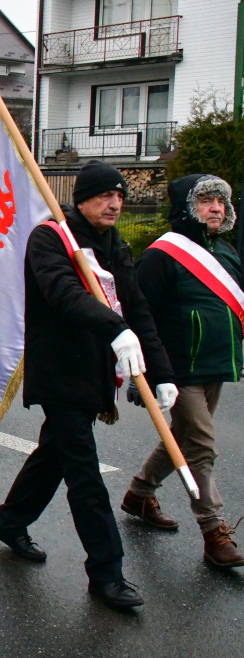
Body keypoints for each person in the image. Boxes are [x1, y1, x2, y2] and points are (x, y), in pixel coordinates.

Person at [0, 160, 176, 610]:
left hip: (93, 374)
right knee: (85, 475)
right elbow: (63, 294)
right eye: (103, 196)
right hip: (59, 373)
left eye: (119, 196)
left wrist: (163, 372)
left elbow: (138, 310)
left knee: (55, 453)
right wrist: (114, 328)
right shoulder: (51, 238)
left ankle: (11, 520)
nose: (114, 204)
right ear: (80, 199)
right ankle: (107, 573)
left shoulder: (115, 245)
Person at [121, 174, 244, 567]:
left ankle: (139, 495)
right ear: (188, 207)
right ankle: (214, 531)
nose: (216, 208)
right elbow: (139, 315)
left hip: (216, 363)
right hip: (177, 369)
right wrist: (143, 374)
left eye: (221, 202)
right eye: (207, 200)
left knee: (182, 435)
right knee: (202, 445)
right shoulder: (162, 254)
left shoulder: (226, 252)